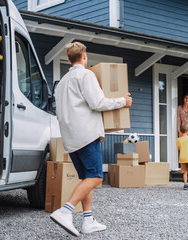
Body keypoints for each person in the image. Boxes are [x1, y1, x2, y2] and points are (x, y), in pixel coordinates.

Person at [51, 42, 133, 236]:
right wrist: (123, 101)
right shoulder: (86, 75)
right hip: (87, 134)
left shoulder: (62, 82)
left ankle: (88, 220)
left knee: (86, 178)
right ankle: (66, 210)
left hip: (70, 139)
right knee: (96, 176)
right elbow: (98, 103)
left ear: (69, 59)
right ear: (84, 57)